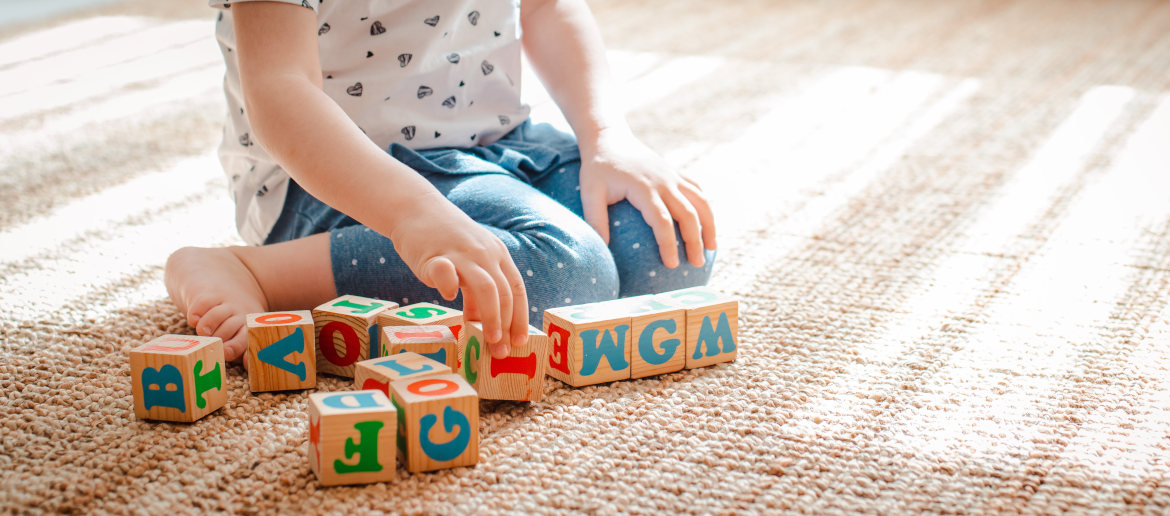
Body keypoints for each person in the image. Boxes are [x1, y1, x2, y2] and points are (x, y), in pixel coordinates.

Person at [165, 0, 717, 364]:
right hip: (349, 175)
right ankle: (253, 269)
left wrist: (607, 138)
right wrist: (413, 216)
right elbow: (280, 88)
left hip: (499, 144)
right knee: (571, 274)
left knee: (664, 247)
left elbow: (551, 9)